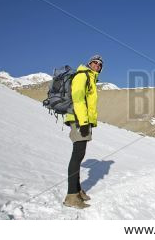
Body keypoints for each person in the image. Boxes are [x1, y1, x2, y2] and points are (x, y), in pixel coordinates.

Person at [62, 55, 103, 209]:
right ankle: (71, 196)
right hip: (79, 120)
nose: (97, 65)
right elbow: (78, 98)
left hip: (83, 120)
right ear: (89, 63)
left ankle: (77, 191)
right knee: (77, 155)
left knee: (79, 155)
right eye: (95, 62)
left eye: (100, 64)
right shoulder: (82, 75)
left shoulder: (91, 78)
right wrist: (84, 122)